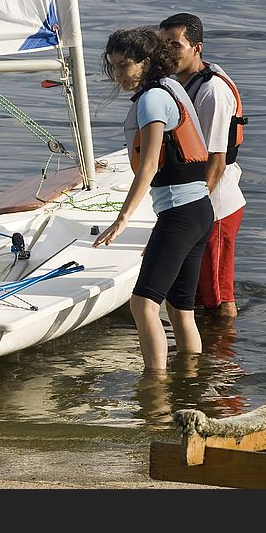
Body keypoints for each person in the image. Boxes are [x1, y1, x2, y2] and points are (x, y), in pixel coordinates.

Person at [93, 27, 214, 372]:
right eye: (113, 66)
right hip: (198, 210)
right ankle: (191, 380)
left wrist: (122, 218)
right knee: (180, 307)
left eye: (123, 66)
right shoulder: (171, 87)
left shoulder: (151, 99)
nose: (117, 74)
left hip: (180, 213)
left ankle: (155, 387)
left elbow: (147, 168)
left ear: (145, 63)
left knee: (143, 304)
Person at [159, 13, 246, 319]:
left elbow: (216, 161)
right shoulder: (179, 82)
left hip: (215, 208)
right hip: (196, 204)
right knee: (193, 293)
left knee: (219, 299)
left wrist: (194, 211)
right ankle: (198, 360)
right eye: (162, 44)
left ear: (196, 48)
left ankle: (223, 359)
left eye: (175, 45)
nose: (167, 52)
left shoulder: (212, 92)